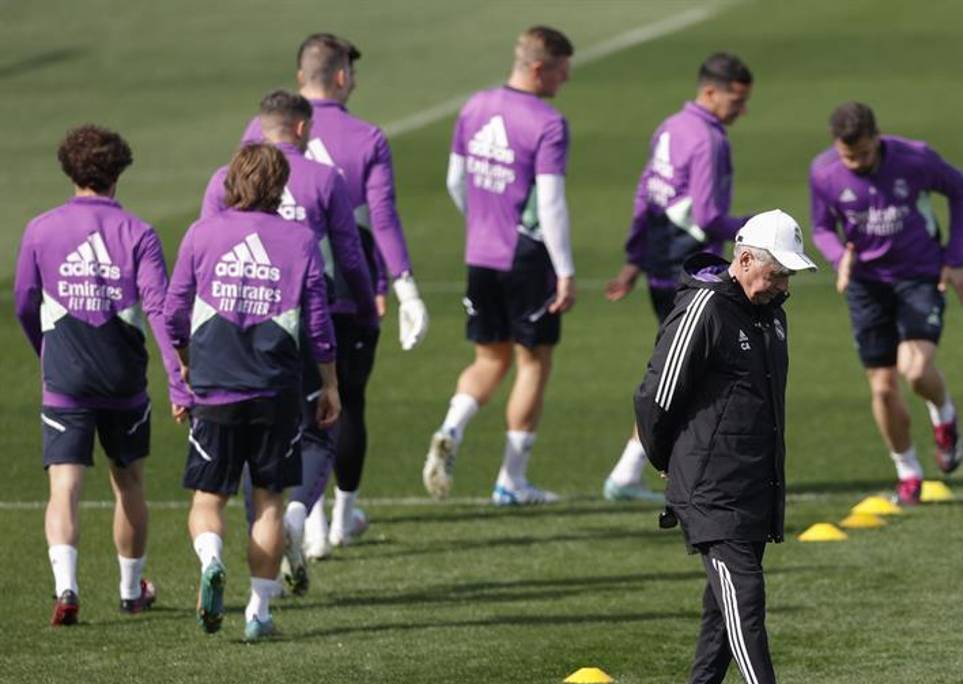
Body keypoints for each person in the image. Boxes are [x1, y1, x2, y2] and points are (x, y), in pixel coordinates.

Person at [635, 209, 823, 684]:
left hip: (752, 482)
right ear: (744, 261)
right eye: (778, 273)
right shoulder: (705, 308)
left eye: (789, 275)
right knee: (746, 595)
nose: (784, 285)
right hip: (709, 484)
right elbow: (655, 396)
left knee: (725, 607)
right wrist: (665, 459)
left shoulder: (771, 314)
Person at [242, 33, 428, 550]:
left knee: (289, 407)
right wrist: (400, 287)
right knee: (345, 402)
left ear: (302, 75)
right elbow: (382, 220)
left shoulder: (255, 133)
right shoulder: (367, 138)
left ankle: (307, 516)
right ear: (342, 76)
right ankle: (340, 516)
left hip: (265, 298)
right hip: (343, 295)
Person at [14, 124, 188, 626]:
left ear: (70, 170)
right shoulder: (139, 233)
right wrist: (179, 377)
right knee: (128, 481)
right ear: (118, 173)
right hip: (124, 380)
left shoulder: (41, 229)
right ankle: (132, 591)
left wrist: (46, 350)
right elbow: (159, 310)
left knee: (64, 486)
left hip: (65, 376)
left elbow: (25, 303)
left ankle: (66, 587)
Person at [165, 144, 339, 642]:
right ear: (280, 188)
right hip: (275, 390)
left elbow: (175, 311)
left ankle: (212, 559)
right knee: (268, 501)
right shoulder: (301, 240)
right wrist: (328, 382)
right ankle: (259, 613)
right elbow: (319, 322)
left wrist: (184, 363)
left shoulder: (201, 233)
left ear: (230, 184)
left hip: (215, 385)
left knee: (208, 498)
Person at [214, 89, 377, 576]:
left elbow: (204, 254)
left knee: (251, 443)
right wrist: (367, 309)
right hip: (306, 322)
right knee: (317, 432)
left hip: (234, 324)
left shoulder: (221, 182)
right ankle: (299, 516)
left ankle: (266, 560)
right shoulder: (326, 180)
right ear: (303, 128)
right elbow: (350, 254)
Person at [422, 25, 576, 505]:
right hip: (527, 256)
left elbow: (454, 180)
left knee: (489, 358)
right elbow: (550, 202)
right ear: (538, 68)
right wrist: (565, 269)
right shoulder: (548, 122)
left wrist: (482, 221)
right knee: (533, 363)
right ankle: (512, 480)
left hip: (480, 252)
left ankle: (452, 427)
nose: (564, 80)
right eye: (561, 70)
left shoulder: (474, 105)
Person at [603, 52, 754, 503]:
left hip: (658, 266)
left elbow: (644, 195)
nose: (742, 111)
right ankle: (654, 472)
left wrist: (634, 257)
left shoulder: (670, 127)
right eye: (737, 100)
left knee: (684, 368)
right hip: (691, 270)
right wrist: (754, 229)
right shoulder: (710, 140)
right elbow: (708, 215)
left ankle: (635, 470)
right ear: (710, 92)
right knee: (696, 373)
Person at [808, 101, 963, 505]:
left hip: (919, 275)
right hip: (866, 285)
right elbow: (821, 226)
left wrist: (955, 257)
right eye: (849, 156)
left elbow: (960, 189)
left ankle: (945, 416)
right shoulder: (824, 172)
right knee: (882, 389)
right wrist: (838, 258)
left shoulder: (914, 158)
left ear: (876, 138)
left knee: (915, 372)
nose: (857, 163)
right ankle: (908, 472)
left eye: (863, 154)